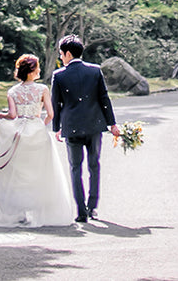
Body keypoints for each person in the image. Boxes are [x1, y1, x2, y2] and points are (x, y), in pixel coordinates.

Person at [0, 54, 75, 227]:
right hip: (37, 131)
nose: (40, 70)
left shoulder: (13, 91)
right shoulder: (42, 90)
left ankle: (20, 211)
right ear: (32, 71)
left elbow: (12, 115)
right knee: (40, 172)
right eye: (38, 67)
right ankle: (39, 211)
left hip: (18, 134)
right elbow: (51, 114)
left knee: (17, 173)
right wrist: (41, 124)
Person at [50, 34, 120, 223]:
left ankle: (81, 211)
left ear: (68, 54)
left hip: (71, 127)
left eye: (61, 54)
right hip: (94, 125)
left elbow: (55, 103)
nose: (61, 57)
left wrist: (56, 127)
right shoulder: (95, 71)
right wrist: (111, 123)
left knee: (75, 168)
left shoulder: (59, 75)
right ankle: (93, 207)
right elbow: (104, 99)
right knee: (94, 165)